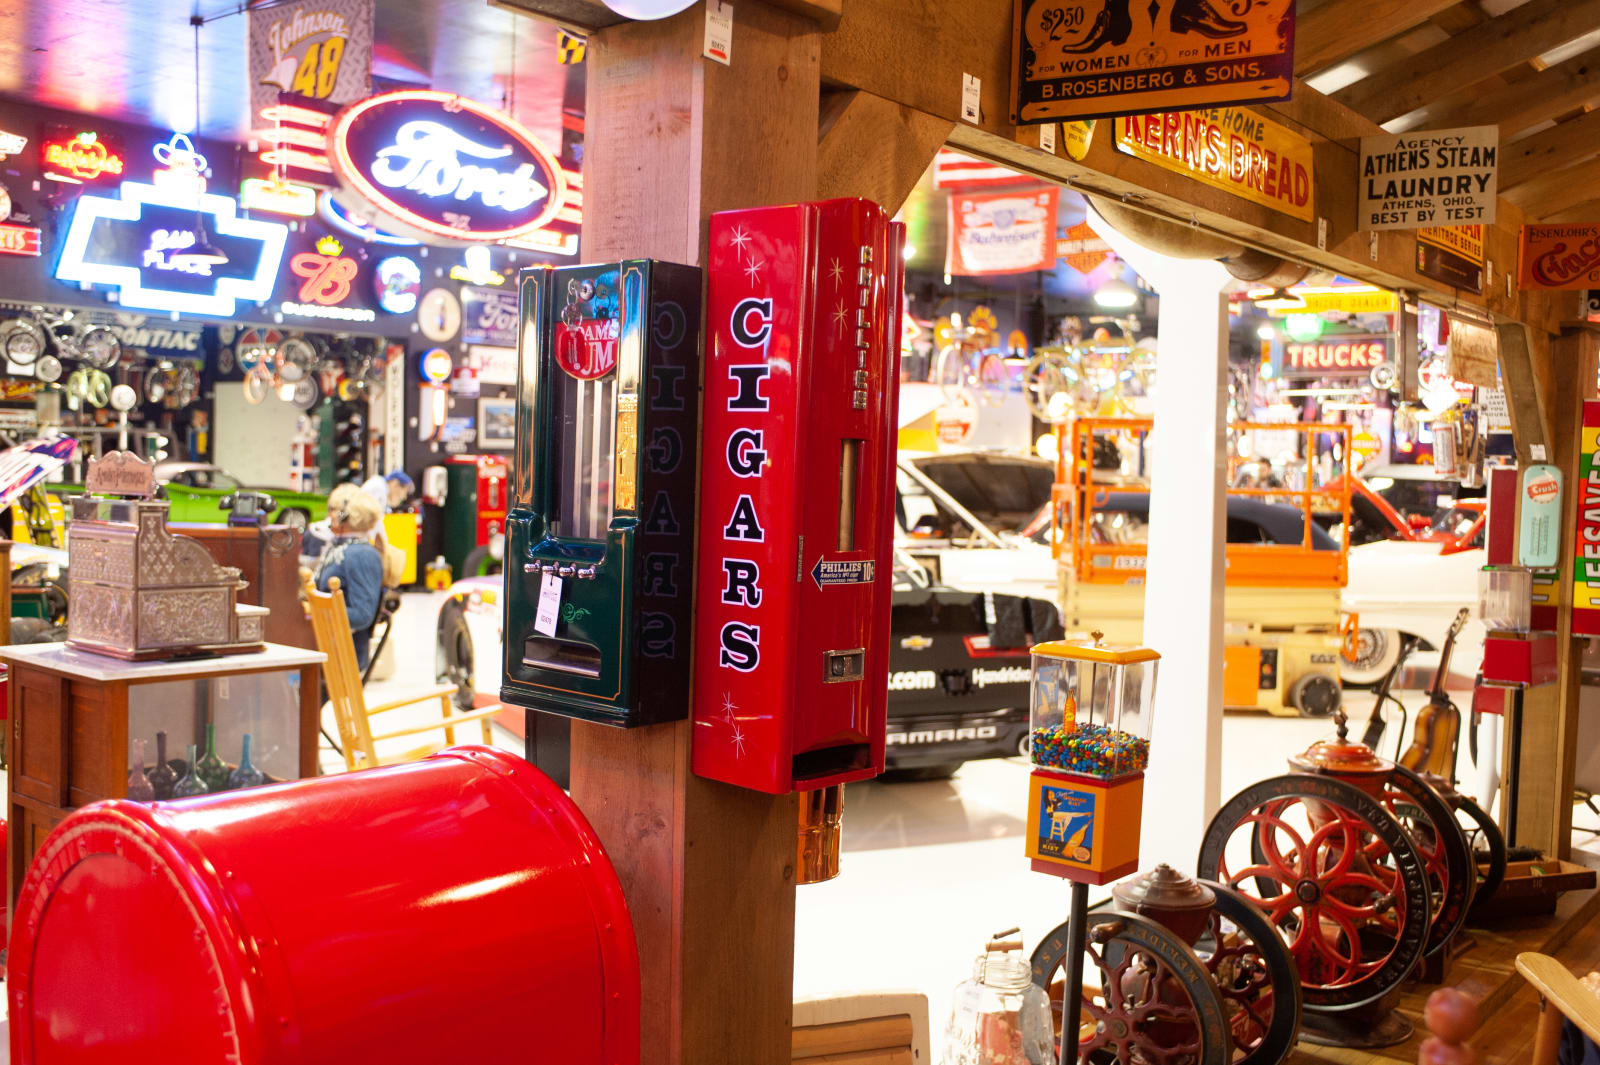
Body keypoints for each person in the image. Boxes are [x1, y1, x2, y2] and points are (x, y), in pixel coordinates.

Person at [313, 490, 385, 670]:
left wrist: (319, 613)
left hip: (342, 656)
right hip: (328, 646)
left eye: (334, 510)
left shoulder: (361, 554)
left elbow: (362, 614)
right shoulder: (342, 547)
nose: (330, 516)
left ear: (344, 517)